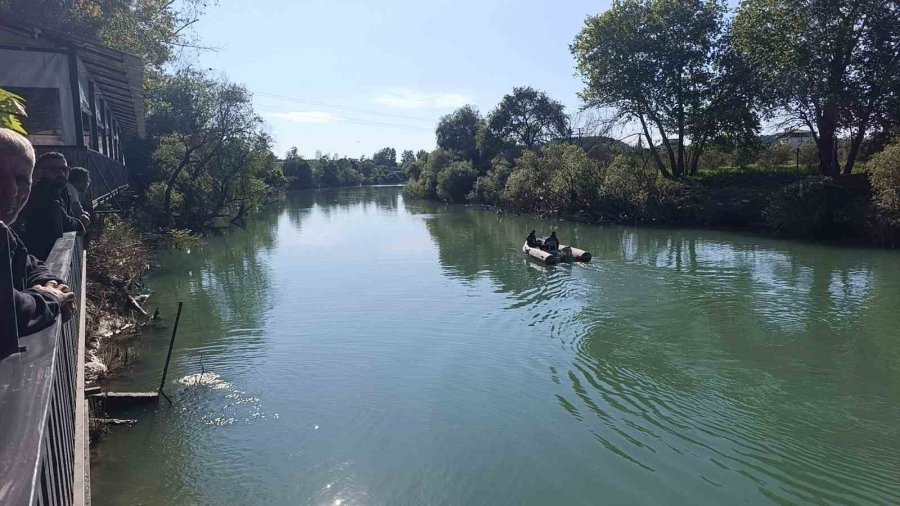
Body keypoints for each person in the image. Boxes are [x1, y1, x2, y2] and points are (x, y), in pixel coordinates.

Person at [0, 129, 75, 337]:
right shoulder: (45, 197)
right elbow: (9, 312)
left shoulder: (3, 231)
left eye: (21, 178)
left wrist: (46, 281)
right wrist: (52, 298)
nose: (12, 189)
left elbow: (25, 260)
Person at [15, 152, 85, 260]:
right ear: (39, 172)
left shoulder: (61, 190)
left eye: (65, 169)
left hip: (51, 256)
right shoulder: (41, 194)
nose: (61, 173)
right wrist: (80, 224)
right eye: (54, 170)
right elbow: (66, 224)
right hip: (40, 259)